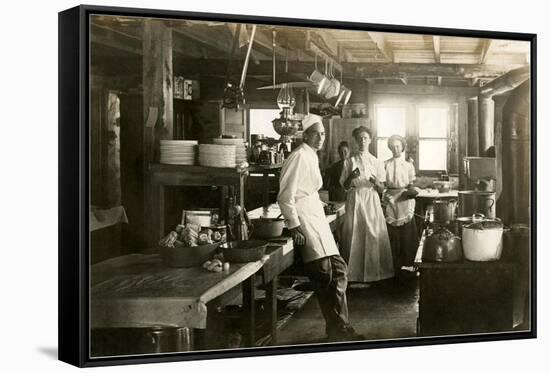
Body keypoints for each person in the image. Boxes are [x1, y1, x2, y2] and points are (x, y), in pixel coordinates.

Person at [277, 114, 362, 342]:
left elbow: (308, 191)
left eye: (323, 134)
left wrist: (323, 205)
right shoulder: (297, 156)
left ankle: (339, 326)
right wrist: (294, 226)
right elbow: (286, 196)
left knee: (340, 271)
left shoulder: (311, 155)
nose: (320, 138)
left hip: (316, 217)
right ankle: (338, 329)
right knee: (324, 273)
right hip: (304, 219)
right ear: (305, 135)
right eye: (316, 133)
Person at [339, 126, 394, 283]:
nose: (363, 141)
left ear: (370, 140)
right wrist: (350, 177)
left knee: (372, 233)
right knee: (354, 234)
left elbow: (382, 188)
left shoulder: (376, 162)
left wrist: (375, 181)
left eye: (365, 138)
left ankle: (374, 273)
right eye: (360, 138)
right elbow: (345, 185)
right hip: (355, 198)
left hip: (371, 199)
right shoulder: (349, 162)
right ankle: (353, 275)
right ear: (356, 141)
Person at [383, 135, 420, 277]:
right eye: (392, 147)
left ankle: (410, 264)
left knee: (407, 232)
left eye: (398, 146)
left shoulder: (408, 165)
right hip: (391, 198)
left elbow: (411, 184)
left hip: (404, 198)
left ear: (402, 147)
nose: (395, 149)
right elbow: (384, 184)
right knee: (392, 233)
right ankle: (393, 265)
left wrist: (411, 191)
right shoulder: (385, 164)